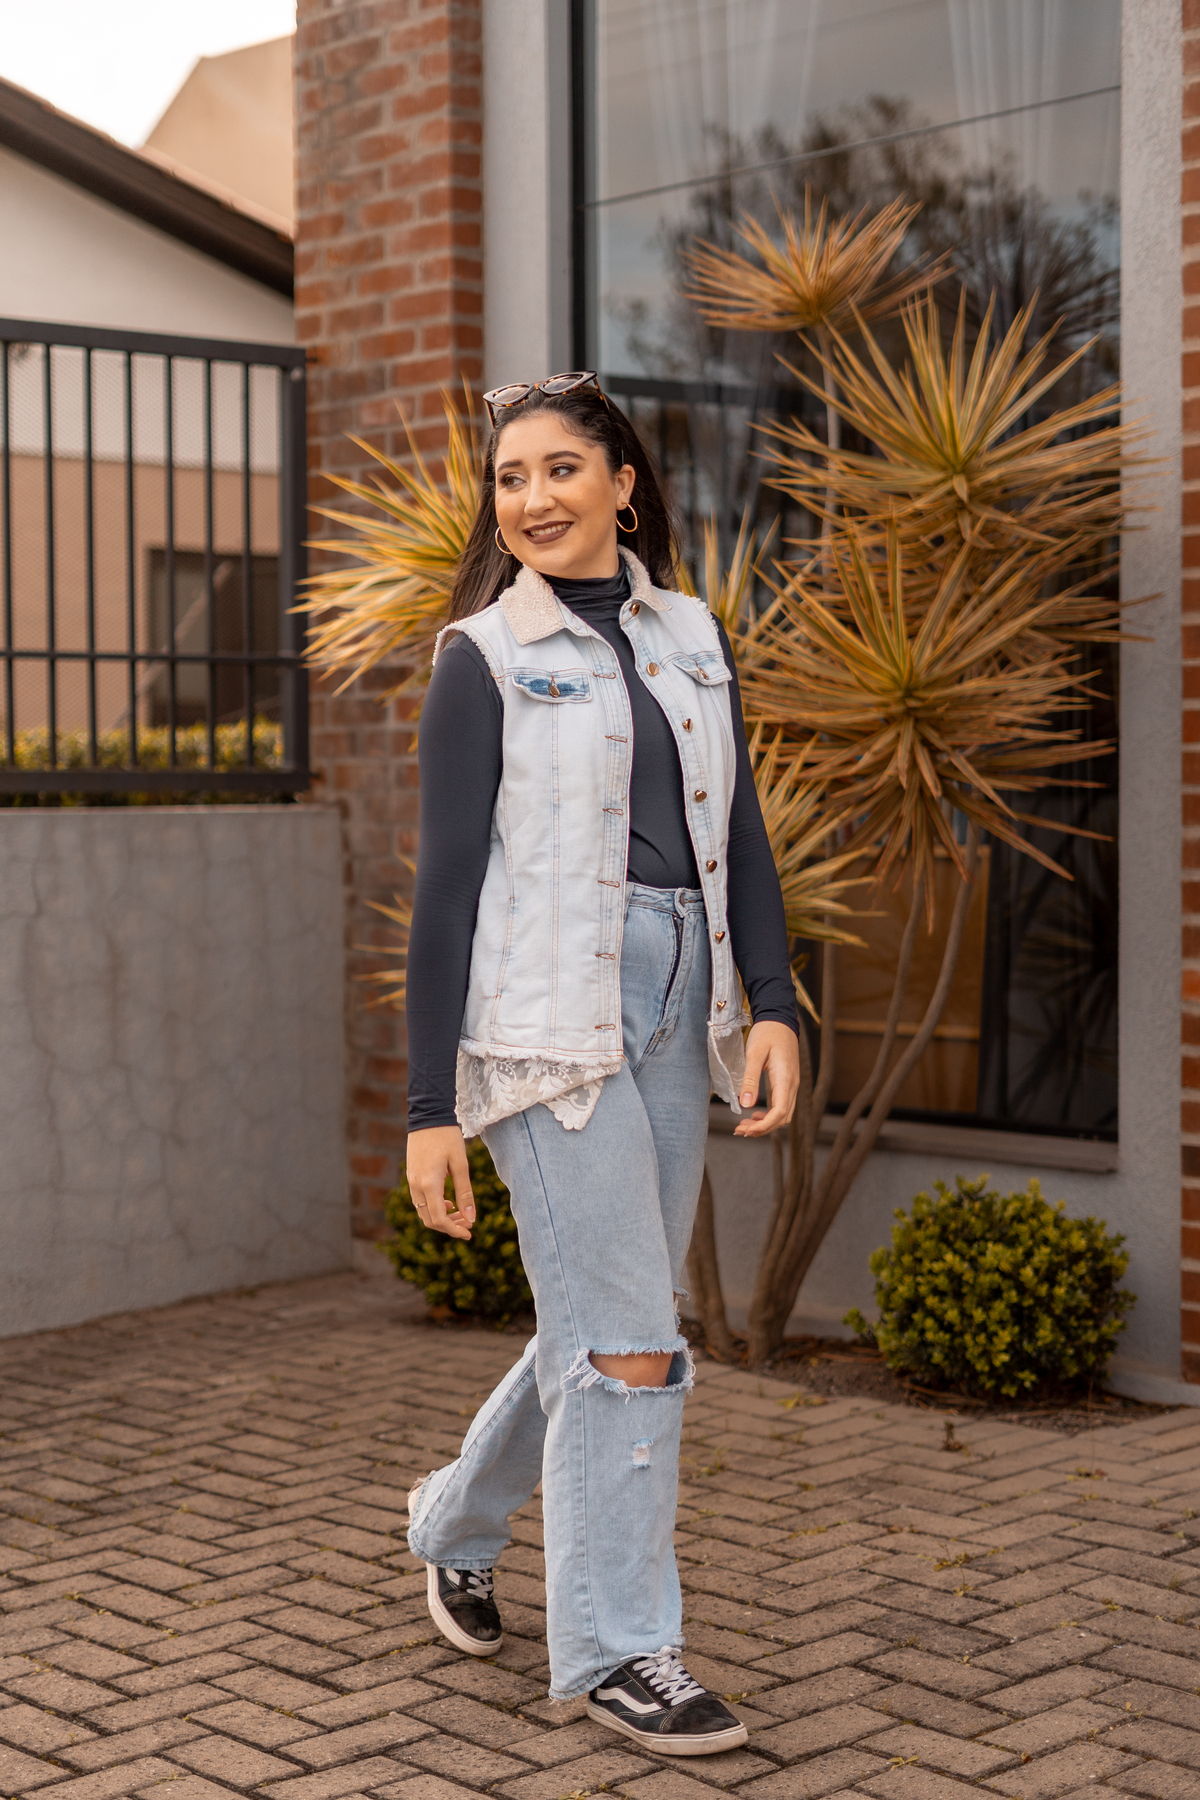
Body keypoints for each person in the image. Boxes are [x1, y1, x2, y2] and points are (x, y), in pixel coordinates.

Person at [403, 371, 800, 1757]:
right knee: (634, 1346)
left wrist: (775, 1001)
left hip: (683, 993)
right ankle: (628, 1651)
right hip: (542, 1024)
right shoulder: (483, 659)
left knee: (611, 1325)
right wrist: (427, 1107)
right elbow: (445, 890)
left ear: (623, 482)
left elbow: (736, 833)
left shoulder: (691, 635)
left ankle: (454, 1521)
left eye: (561, 469)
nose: (533, 499)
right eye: (511, 477)